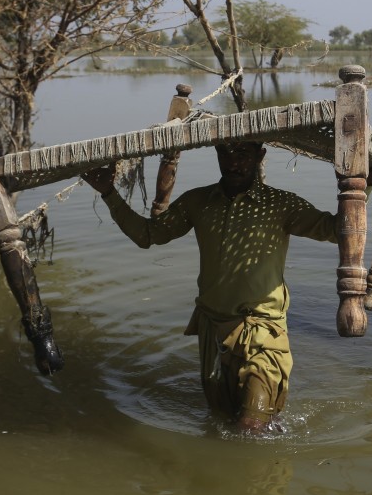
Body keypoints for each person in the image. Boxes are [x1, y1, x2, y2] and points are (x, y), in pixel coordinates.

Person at [82, 141, 338, 434]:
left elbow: (335, 229)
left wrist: (362, 187)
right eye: (225, 153)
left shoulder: (280, 205)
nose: (233, 162)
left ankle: (256, 472)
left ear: (259, 156)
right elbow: (148, 235)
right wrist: (108, 193)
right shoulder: (198, 202)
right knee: (221, 423)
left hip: (263, 332)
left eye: (242, 153)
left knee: (251, 424)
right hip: (212, 331)